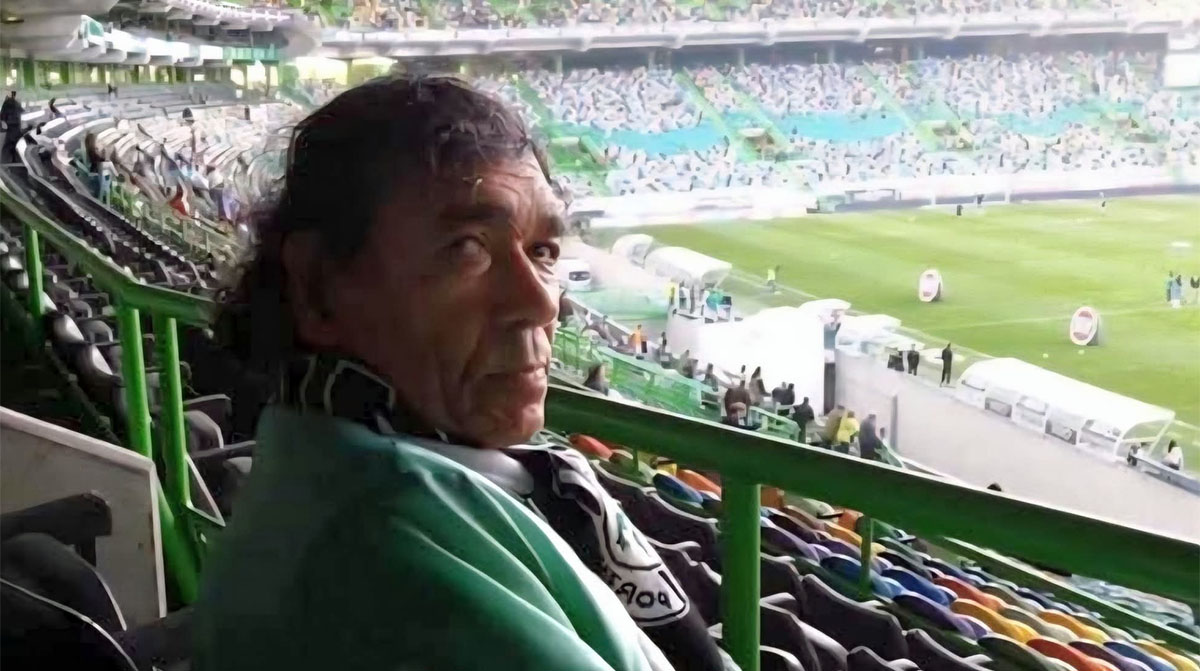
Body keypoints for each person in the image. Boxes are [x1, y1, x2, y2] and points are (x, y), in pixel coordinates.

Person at [199, 75, 727, 671]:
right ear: (318, 289)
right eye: (468, 248)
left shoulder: (330, 457)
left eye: (542, 252)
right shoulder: (392, 537)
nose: (542, 302)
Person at [1, 90, 23, 164]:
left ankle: (9, 159)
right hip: (14, 125)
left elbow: (3, 114)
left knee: (11, 143)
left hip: (13, 125)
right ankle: (8, 160)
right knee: (12, 143)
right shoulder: (12, 102)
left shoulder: (11, 102)